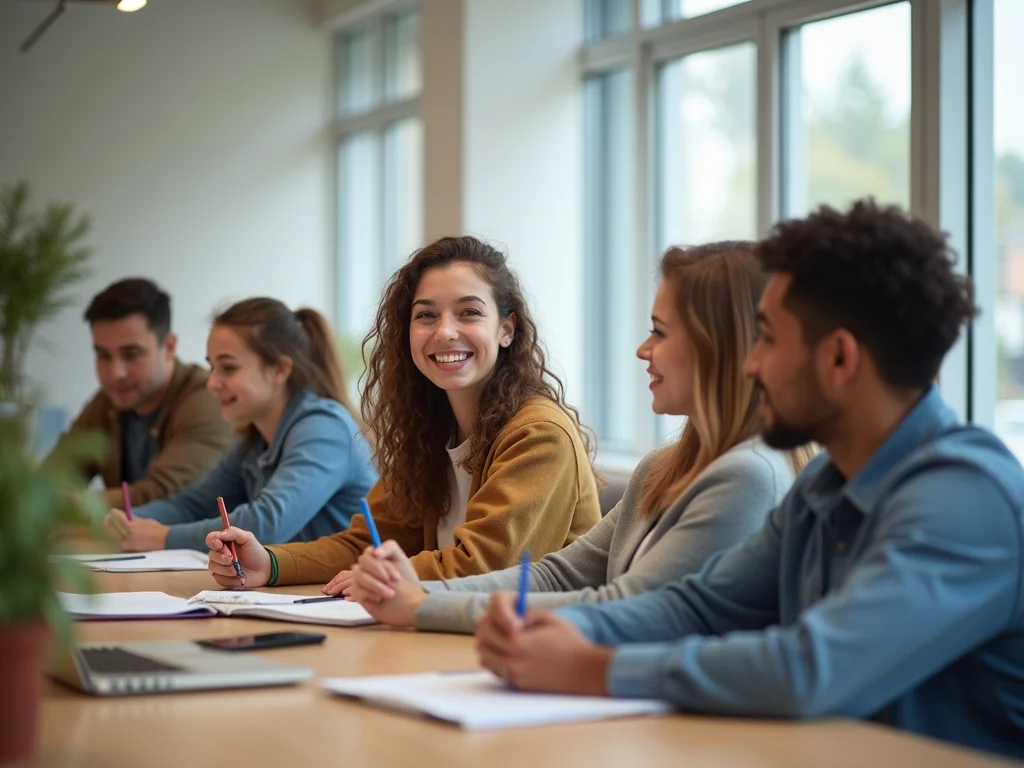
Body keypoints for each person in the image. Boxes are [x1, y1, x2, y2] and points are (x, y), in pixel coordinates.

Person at [474, 199, 1024, 760]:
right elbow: (698, 607)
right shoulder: (826, 482)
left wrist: (595, 667)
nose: (751, 365)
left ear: (839, 359)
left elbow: (808, 667)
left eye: (767, 339)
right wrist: (564, 635)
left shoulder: (967, 499)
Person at [348, 241, 809, 633]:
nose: (643, 350)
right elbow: (556, 575)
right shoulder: (660, 467)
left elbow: (624, 606)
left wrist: (425, 605)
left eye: (660, 332)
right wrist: (418, 593)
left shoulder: (749, 475)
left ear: (719, 347)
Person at [205, 236, 601, 589]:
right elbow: (367, 542)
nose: (445, 331)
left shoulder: (539, 435)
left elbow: (486, 567)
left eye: (469, 313)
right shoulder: (431, 431)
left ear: (507, 330)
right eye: (426, 315)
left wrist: (382, 574)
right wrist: (270, 563)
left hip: (524, 650)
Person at [105, 298, 377, 552]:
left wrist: (163, 538)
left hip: (347, 595)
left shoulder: (323, 428)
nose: (212, 383)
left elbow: (267, 524)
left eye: (229, 368)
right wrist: (130, 520)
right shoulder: (256, 438)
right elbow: (196, 505)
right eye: (212, 367)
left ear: (280, 369)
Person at [48, 278, 234, 509]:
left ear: (169, 347)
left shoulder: (208, 398)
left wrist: (65, 503)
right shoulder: (109, 401)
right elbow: (51, 478)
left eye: (131, 354)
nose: (116, 373)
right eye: (104, 355)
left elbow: (162, 495)